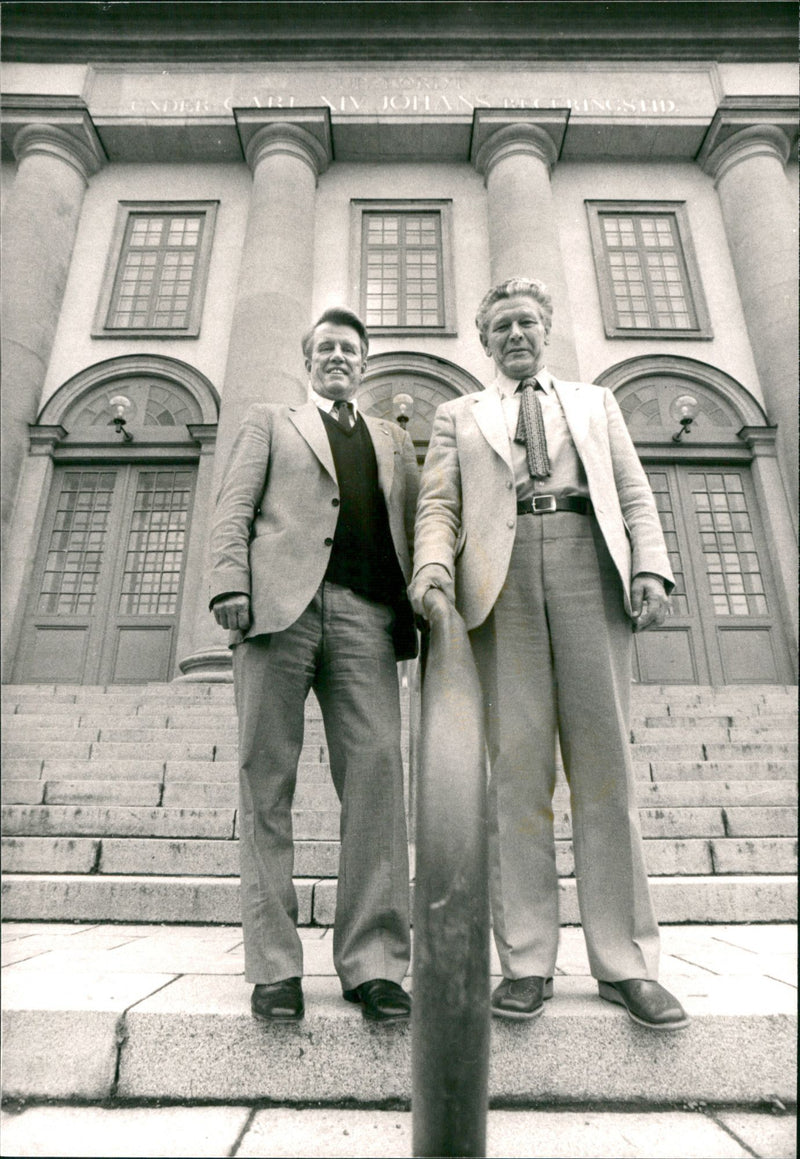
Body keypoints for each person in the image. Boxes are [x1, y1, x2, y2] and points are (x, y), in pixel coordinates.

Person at [409, 277, 689, 1031]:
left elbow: (633, 491)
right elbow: (438, 503)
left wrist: (649, 567)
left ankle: (626, 962)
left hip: (587, 566)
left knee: (606, 770)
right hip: (499, 584)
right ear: (485, 338)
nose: (516, 334)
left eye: (527, 321)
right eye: (501, 325)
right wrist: (431, 568)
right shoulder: (456, 414)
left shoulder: (595, 403)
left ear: (547, 329)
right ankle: (527, 959)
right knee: (517, 776)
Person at [209, 306, 418, 1025]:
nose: (338, 356)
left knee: (380, 777)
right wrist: (229, 582)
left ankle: (376, 964)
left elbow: (418, 524)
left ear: (364, 363)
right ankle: (274, 968)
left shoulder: (392, 438)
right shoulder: (271, 422)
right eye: (325, 347)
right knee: (265, 779)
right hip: (277, 611)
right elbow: (233, 506)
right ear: (310, 361)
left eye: (349, 349)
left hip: (367, 614)